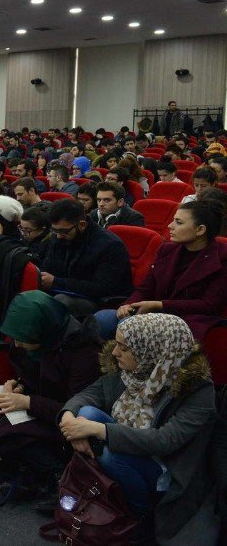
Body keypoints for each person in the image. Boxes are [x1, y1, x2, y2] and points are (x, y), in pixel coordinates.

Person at [59, 315, 217, 542]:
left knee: (112, 453)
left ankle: (138, 514)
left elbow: (165, 440)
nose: (114, 352)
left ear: (151, 349)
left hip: (166, 468)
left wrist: (98, 430)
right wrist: (68, 419)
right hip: (131, 448)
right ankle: (107, 495)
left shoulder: (197, 390)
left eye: (124, 347)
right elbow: (87, 395)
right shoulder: (133, 371)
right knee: (85, 413)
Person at [0, 292, 100, 498]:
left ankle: (56, 473)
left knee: (3, 425)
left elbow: (76, 407)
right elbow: (34, 376)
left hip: (65, 420)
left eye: (22, 339)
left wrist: (27, 401)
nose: (17, 344)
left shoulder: (82, 350)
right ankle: (26, 471)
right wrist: (19, 385)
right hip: (40, 405)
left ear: (40, 331)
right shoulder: (39, 339)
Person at [94, 199, 227, 340]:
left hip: (187, 319)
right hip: (155, 312)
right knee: (102, 318)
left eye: (179, 222)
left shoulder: (222, 258)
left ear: (200, 230)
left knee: (128, 325)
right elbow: (146, 288)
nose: (170, 226)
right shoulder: (167, 249)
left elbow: (208, 305)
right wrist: (128, 305)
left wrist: (159, 305)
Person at [40, 198, 133, 315]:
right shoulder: (60, 236)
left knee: (58, 302)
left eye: (63, 231)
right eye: (54, 230)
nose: (58, 236)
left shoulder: (110, 245)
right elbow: (48, 267)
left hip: (97, 300)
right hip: (64, 290)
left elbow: (103, 288)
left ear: (82, 225)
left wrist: (56, 282)